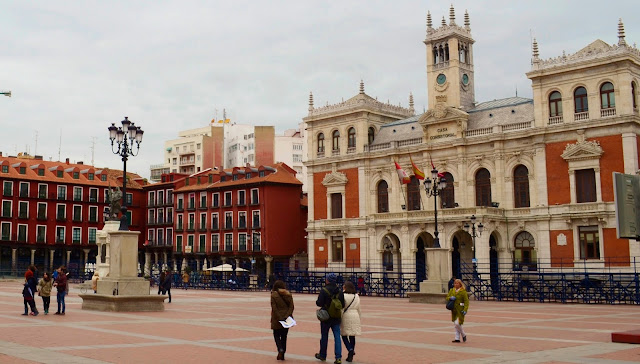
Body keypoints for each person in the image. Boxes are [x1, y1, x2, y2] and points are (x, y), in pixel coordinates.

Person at [315, 273, 345, 364]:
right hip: (336, 317)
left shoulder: (324, 290)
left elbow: (319, 303)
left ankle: (323, 355)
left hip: (326, 317)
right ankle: (338, 357)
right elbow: (342, 305)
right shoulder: (339, 291)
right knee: (337, 337)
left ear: (328, 280)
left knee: (324, 336)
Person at [271, 280, 294, 361]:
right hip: (287, 319)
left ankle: (280, 349)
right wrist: (287, 315)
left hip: (277, 319)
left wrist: (280, 317)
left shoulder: (273, 295)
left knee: (276, 335)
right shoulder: (289, 294)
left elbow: (274, 308)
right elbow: (291, 307)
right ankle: (283, 353)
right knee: (284, 336)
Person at [340, 281, 361, 362]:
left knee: (344, 334)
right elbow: (359, 308)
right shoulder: (356, 296)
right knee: (352, 335)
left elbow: (342, 308)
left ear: (346, 287)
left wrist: (340, 317)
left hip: (346, 315)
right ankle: (350, 354)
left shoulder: (343, 296)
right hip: (355, 315)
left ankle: (350, 349)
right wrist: (359, 317)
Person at [447, 279, 470, 343]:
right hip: (454, 309)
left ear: (460, 284)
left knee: (458, 323)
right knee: (455, 324)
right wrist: (450, 298)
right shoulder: (452, 290)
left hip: (460, 309)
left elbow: (466, 301)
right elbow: (447, 297)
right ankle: (457, 338)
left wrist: (465, 309)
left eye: (457, 283)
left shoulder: (463, 292)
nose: (456, 284)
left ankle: (463, 334)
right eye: (455, 283)